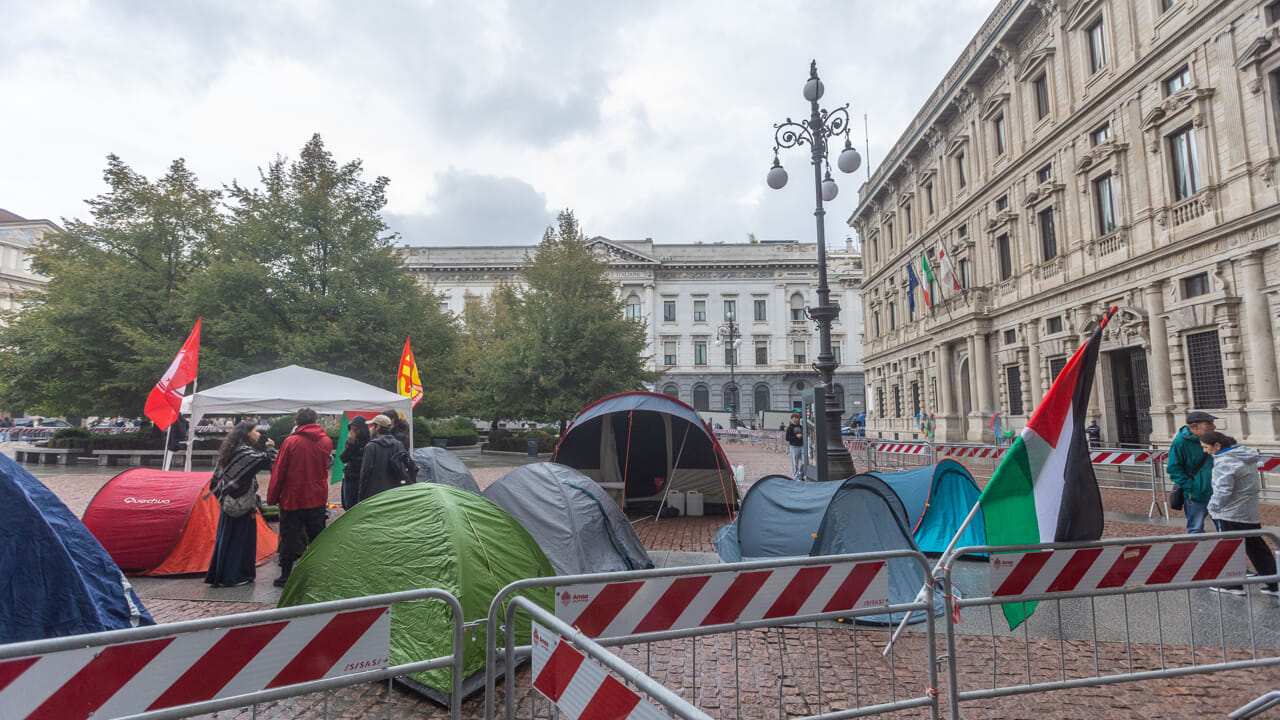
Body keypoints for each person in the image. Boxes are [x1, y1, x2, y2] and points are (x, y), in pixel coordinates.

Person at [1200, 431, 1279, 597]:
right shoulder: (1245, 458)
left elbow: (1223, 490)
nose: (1205, 451)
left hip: (1230, 512)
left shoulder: (1224, 462)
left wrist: (1213, 507)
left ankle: (1232, 585)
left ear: (1217, 446)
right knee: (1257, 547)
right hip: (1248, 511)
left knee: (1230, 549)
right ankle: (1274, 583)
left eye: (1206, 447)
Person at [266, 408, 334, 587]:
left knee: (289, 537)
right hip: (317, 496)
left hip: (293, 497)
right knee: (317, 537)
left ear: (297, 422)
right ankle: (318, 572)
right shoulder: (326, 441)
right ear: (315, 421)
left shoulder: (290, 442)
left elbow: (279, 471)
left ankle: (285, 574)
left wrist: (272, 498)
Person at [205, 421, 276, 588]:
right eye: (256, 431)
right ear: (247, 433)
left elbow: (218, 479)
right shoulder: (244, 452)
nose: (258, 434)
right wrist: (270, 447)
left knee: (227, 539)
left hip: (228, 501)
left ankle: (222, 574)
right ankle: (235, 575)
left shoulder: (230, 449)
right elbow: (267, 461)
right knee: (240, 540)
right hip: (241, 503)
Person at [1166, 411, 1218, 534]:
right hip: (1195, 496)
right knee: (1195, 529)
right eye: (1208, 423)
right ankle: (1198, 552)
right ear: (1194, 426)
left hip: (1216, 492)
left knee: (1226, 529)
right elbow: (1174, 469)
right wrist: (1191, 487)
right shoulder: (1180, 442)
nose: (1213, 426)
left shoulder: (1212, 439)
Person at [360, 414, 414, 501]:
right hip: (394, 494)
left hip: (375, 495)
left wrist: (361, 497)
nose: (370, 429)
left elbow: (365, 474)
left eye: (372, 426)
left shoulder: (371, 447)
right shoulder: (398, 445)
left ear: (377, 427)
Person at [340, 416, 370, 510]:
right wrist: (350, 445)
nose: (353, 432)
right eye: (351, 429)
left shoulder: (369, 442)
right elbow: (343, 458)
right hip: (350, 477)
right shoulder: (350, 442)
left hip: (362, 478)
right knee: (348, 505)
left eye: (356, 430)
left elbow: (363, 461)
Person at [786, 412, 805, 482]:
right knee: (795, 463)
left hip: (802, 446)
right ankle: (796, 478)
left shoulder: (801, 427)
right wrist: (796, 436)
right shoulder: (790, 428)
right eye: (795, 417)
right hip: (794, 447)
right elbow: (787, 438)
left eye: (797, 417)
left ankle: (801, 475)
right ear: (792, 418)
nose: (797, 419)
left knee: (804, 462)